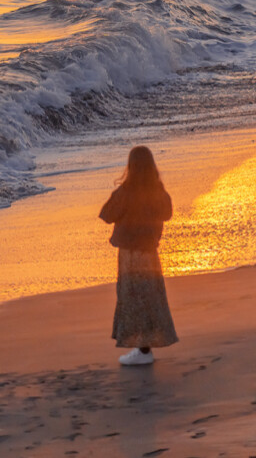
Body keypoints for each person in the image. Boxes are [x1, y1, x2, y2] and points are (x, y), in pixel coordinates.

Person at [99, 144, 178, 367]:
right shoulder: (158, 191)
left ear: (130, 167)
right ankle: (144, 348)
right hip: (150, 251)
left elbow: (106, 214)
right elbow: (168, 214)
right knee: (150, 296)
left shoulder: (125, 192)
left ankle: (143, 350)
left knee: (133, 297)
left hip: (130, 253)